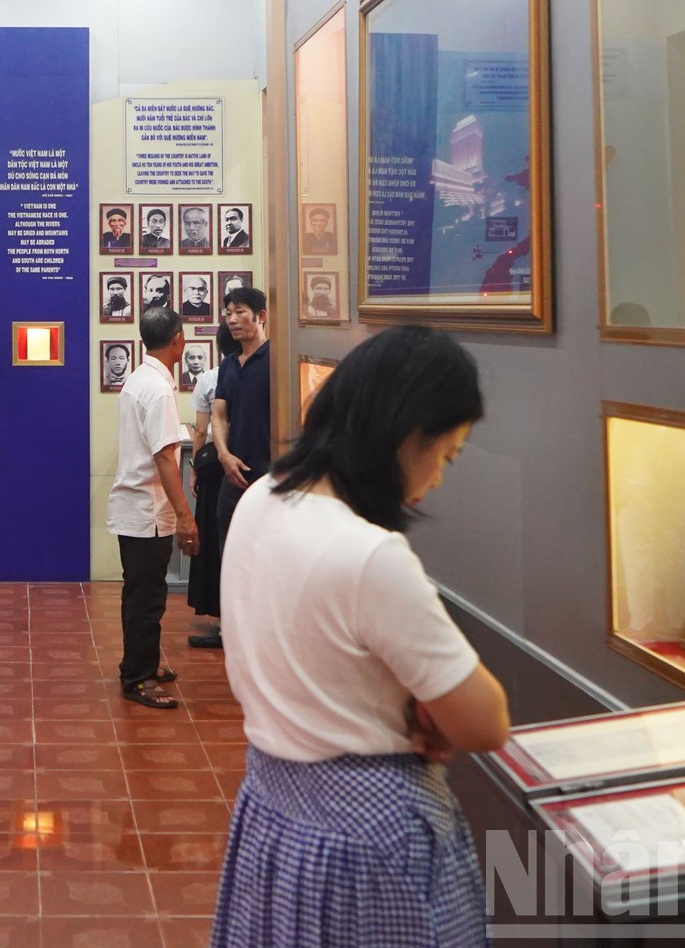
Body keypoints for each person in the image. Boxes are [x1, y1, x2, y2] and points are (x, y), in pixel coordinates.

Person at [210, 325, 507, 945]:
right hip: (371, 839)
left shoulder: (263, 498)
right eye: (446, 455)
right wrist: (422, 702)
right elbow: (485, 722)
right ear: (407, 438)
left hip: (275, 804)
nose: (441, 477)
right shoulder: (370, 554)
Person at [106, 307, 199, 710]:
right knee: (147, 597)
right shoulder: (158, 390)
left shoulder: (140, 379)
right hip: (147, 509)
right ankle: (138, 678)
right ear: (178, 339)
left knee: (143, 592)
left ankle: (139, 661)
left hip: (137, 505)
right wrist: (184, 514)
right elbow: (165, 458)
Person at [210, 287, 273, 585]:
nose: (232, 320)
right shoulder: (228, 365)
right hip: (232, 475)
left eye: (239, 312)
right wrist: (224, 455)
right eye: (228, 313)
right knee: (231, 558)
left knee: (268, 559)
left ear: (260, 316)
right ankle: (230, 631)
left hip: (270, 476)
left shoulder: (277, 358)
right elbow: (219, 415)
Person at [185, 325, 237, 648]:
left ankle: (221, 622)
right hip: (246, 462)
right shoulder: (258, 372)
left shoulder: (209, 379)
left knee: (212, 536)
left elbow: (201, 432)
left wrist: (194, 470)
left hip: (215, 468)